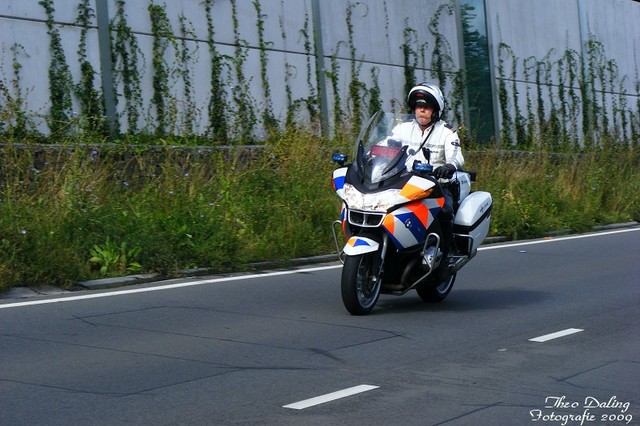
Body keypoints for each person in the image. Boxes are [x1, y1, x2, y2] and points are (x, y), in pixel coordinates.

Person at [389, 82, 464, 276]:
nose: (421, 110)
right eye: (418, 106)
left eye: (426, 106)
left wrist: (449, 166)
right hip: (405, 181)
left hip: (436, 183)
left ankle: (447, 252)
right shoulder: (402, 129)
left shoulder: (447, 132)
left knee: (444, 209)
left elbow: (457, 156)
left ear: (435, 110)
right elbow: (385, 145)